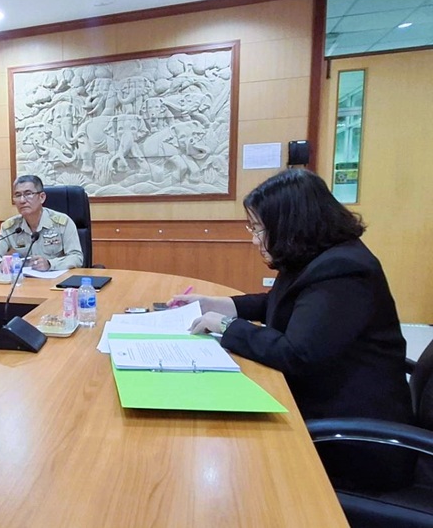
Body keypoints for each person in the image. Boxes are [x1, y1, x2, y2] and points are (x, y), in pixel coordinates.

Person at [176, 168, 413, 491]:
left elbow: (297, 354)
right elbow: (280, 303)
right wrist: (217, 304)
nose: (254, 239)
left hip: (353, 441)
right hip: (325, 404)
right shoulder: (314, 257)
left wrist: (228, 326)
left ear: (290, 224)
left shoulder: (343, 271)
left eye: (259, 228)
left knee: (222, 453)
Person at [0, 175, 84, 271]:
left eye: (28, 194)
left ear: (42, 197)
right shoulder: (11, 227)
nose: (22, 200)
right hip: (25, 280)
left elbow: (76, 257)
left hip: (56, 279)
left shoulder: (62, 223)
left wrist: (50, 264)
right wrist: (1, 264)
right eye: (18, 195)